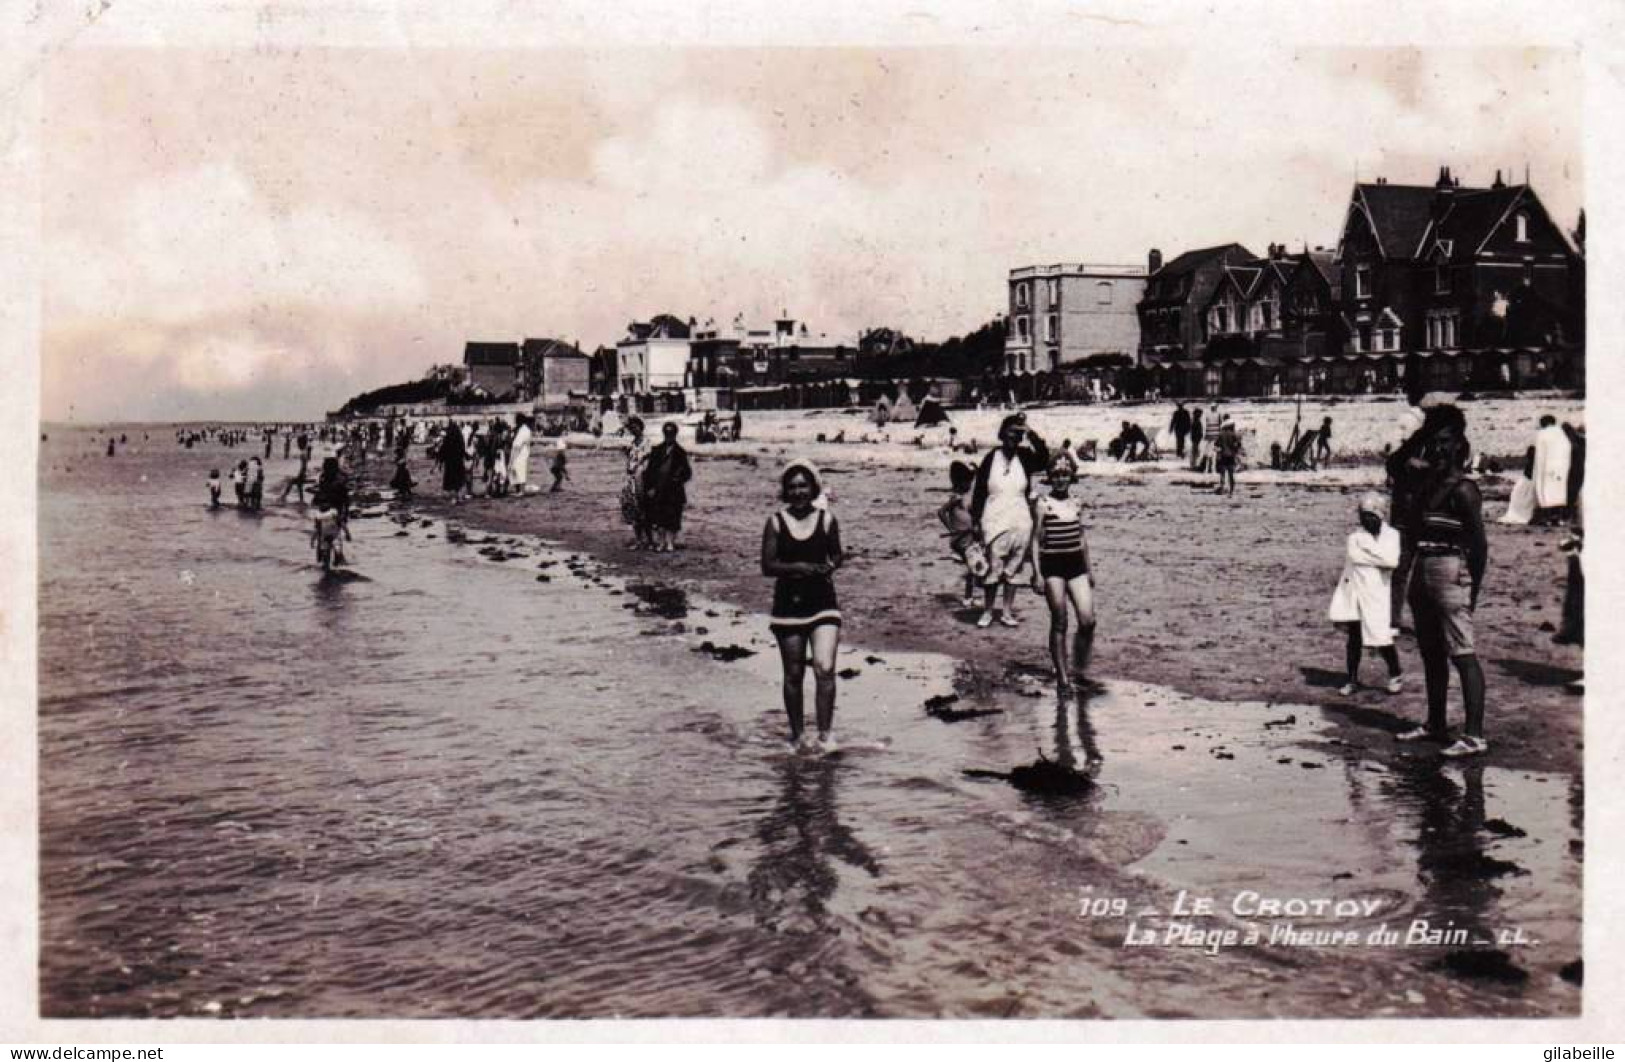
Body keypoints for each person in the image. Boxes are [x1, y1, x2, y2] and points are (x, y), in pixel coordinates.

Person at [1396, 416, 1490, 758]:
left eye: (1446, 442)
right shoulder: (1425, 486)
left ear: (1460, 448)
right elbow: (1396, 464)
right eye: (1434, 442)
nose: (1438, 448)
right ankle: (1436, 722)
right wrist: (1419, 434)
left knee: (1462, 652)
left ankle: (1474, 735)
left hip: (1451, 567)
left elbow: (1479, 547)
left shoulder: (1464, 490)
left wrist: (1473, 588)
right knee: (1431, 651)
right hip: (1422, 565)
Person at [762, 461, 844, 753]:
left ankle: (825, 736)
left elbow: (837, 554)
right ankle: (798, 737)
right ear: (785, 491)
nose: (798, 492)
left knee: (825, 667)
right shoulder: (775, 522)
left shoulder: (826, 520)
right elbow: (767, 566)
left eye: (803, 486)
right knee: (794, 675)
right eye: (792, 487)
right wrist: (797, 566)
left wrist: (829, 566)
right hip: (788, 607)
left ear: (813, 488)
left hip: (823, 604)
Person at [970, 414, 1050, 629]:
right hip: (994, 519)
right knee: (992, 568)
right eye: (1012, 432)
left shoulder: (1024, 457)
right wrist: (976, 521)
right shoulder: (990, 458)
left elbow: (1044, 458)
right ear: (1003, 433)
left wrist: (1031, 431)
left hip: (1020, 519)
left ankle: (1006, 612)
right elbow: (979, 492)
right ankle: (987, 611)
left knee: (1014, 569)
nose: (1015, 437)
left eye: (1019, 433)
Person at [1029, 453, 1097, 693]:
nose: (1060, 480)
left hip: (1076, 565)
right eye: (1056, 475)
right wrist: (1036, 573)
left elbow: (1082, 538)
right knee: (1060, 621)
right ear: (1050, 477)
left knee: (1088, 620)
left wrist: (1089, 570)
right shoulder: (1042, 503)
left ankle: (1079, 661)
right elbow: (1035, 540)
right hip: (1053, 567)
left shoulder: (1077, 502)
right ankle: (1063, 678)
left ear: (1071, 477)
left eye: (1065, 475)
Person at [1328, 493, 1404, 696]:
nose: (1366, 520)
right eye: (1363, 516)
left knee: (1381, 635)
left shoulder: (1393, 535)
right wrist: (1377, 558)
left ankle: (1395, 673)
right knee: (1354, 637)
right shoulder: (1354, 538)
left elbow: (1392, 561)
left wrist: (1369, 558)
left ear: (1380, 516)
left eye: (1370, 515)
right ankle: (1352, 678)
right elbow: (1356, 556)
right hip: (1354, 590)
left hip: (1378, 591)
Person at [937, 459, 983, 608]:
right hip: (961, 539)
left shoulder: (963, 496)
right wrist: (951, 528)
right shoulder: (956, 498)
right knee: (974, 566)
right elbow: (941, 511)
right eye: (967, 482)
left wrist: (976, 470)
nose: (969, 485)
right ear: (959, 483)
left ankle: (970, 596)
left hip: (967, 537)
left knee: (973, 568)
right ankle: (969, 597)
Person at [643, 422, 693, 552]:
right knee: (658, 518)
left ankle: (670, 542)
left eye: (671, 433)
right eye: (667, 433)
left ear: (675, 434)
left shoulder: (680, 452)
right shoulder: (657, 450)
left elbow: (687, 473)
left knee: (673, 518)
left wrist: (678, 479)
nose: (669, 436)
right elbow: (649, 472)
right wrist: (650, 488)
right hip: (658, 489)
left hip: (673, 491)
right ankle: (661, 542)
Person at [620, 417, 655, 550]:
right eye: (631, 428)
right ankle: (639, 540)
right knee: (633, 510)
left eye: (635, 427)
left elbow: (647, 461)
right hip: (632, 478)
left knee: (645, 509)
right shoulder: (633, 443)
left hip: (642, 478)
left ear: (640, 427)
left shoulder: (646, 442)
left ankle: (650, 540)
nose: (633, 430)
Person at [1530, 414, 1572, 524]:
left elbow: (1540, 455)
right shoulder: (1562, 434)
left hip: (1547, 468)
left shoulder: (1543, 434)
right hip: (1561, 468)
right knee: (1559, 492)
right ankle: (1558, 518)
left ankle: (1546, 518)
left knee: (1546, 492)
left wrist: (1538, 471)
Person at [311, 456, 352, 567]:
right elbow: (346, 499)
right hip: (335, 511)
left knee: (320, 533)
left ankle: (322, 556)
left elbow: (318, 495)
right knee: (336, 536)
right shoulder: (340, 480)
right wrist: (345, 513)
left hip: (324, 512)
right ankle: (338, 556)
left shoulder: (324, 479)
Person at [439, 417, 468, 505]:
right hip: (458, 461)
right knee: (459, 479)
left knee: (452, 480)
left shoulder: (448, 436)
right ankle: (459, 497)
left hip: (450, 462)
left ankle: (454, 498)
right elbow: (462, 448)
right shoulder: (458, 435)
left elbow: (444, 449)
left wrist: (441, 459)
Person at [1214, 419, 1242, 495]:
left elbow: (1216, 445)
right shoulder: (1233, 434)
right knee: (1231, 474)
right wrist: (1235, 451)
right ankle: (1231, 490)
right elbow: (1238, 445)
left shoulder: (1221, 434)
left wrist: (1219, 451)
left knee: (1222, 473)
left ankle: (1222, 488)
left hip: (1223, 456)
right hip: (1231, 456)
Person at [509, 415, 533, 496]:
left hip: (520, 453)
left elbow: (517, 445)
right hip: (520, 452)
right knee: (516, 470)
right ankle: (518, 490)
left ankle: (521, 491)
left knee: (519, 470)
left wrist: (512, 458)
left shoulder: (524, 430)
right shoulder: (523, 429)